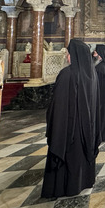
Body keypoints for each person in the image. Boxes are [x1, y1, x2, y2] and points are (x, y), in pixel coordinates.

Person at [42, 40, 98, 198]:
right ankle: (84, 181)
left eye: (68, 53)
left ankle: (66, 187)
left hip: (69, 129)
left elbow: (58, 105)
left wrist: (53, 124)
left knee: (68, 158)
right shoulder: (91, 73)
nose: (67, 57)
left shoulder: (67, 74)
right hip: (86, 128)